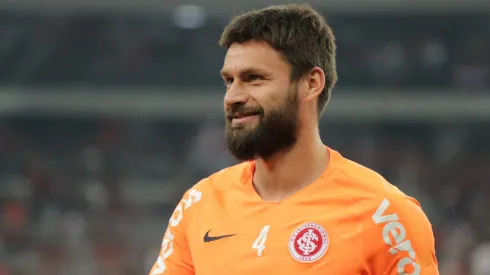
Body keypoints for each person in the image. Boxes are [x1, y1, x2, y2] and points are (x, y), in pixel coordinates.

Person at [150, 4, 439, 275]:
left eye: (254, 78)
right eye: (229, 81)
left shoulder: (387, 217)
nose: (232, 97)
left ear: (311, 84)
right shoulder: (200, 203)